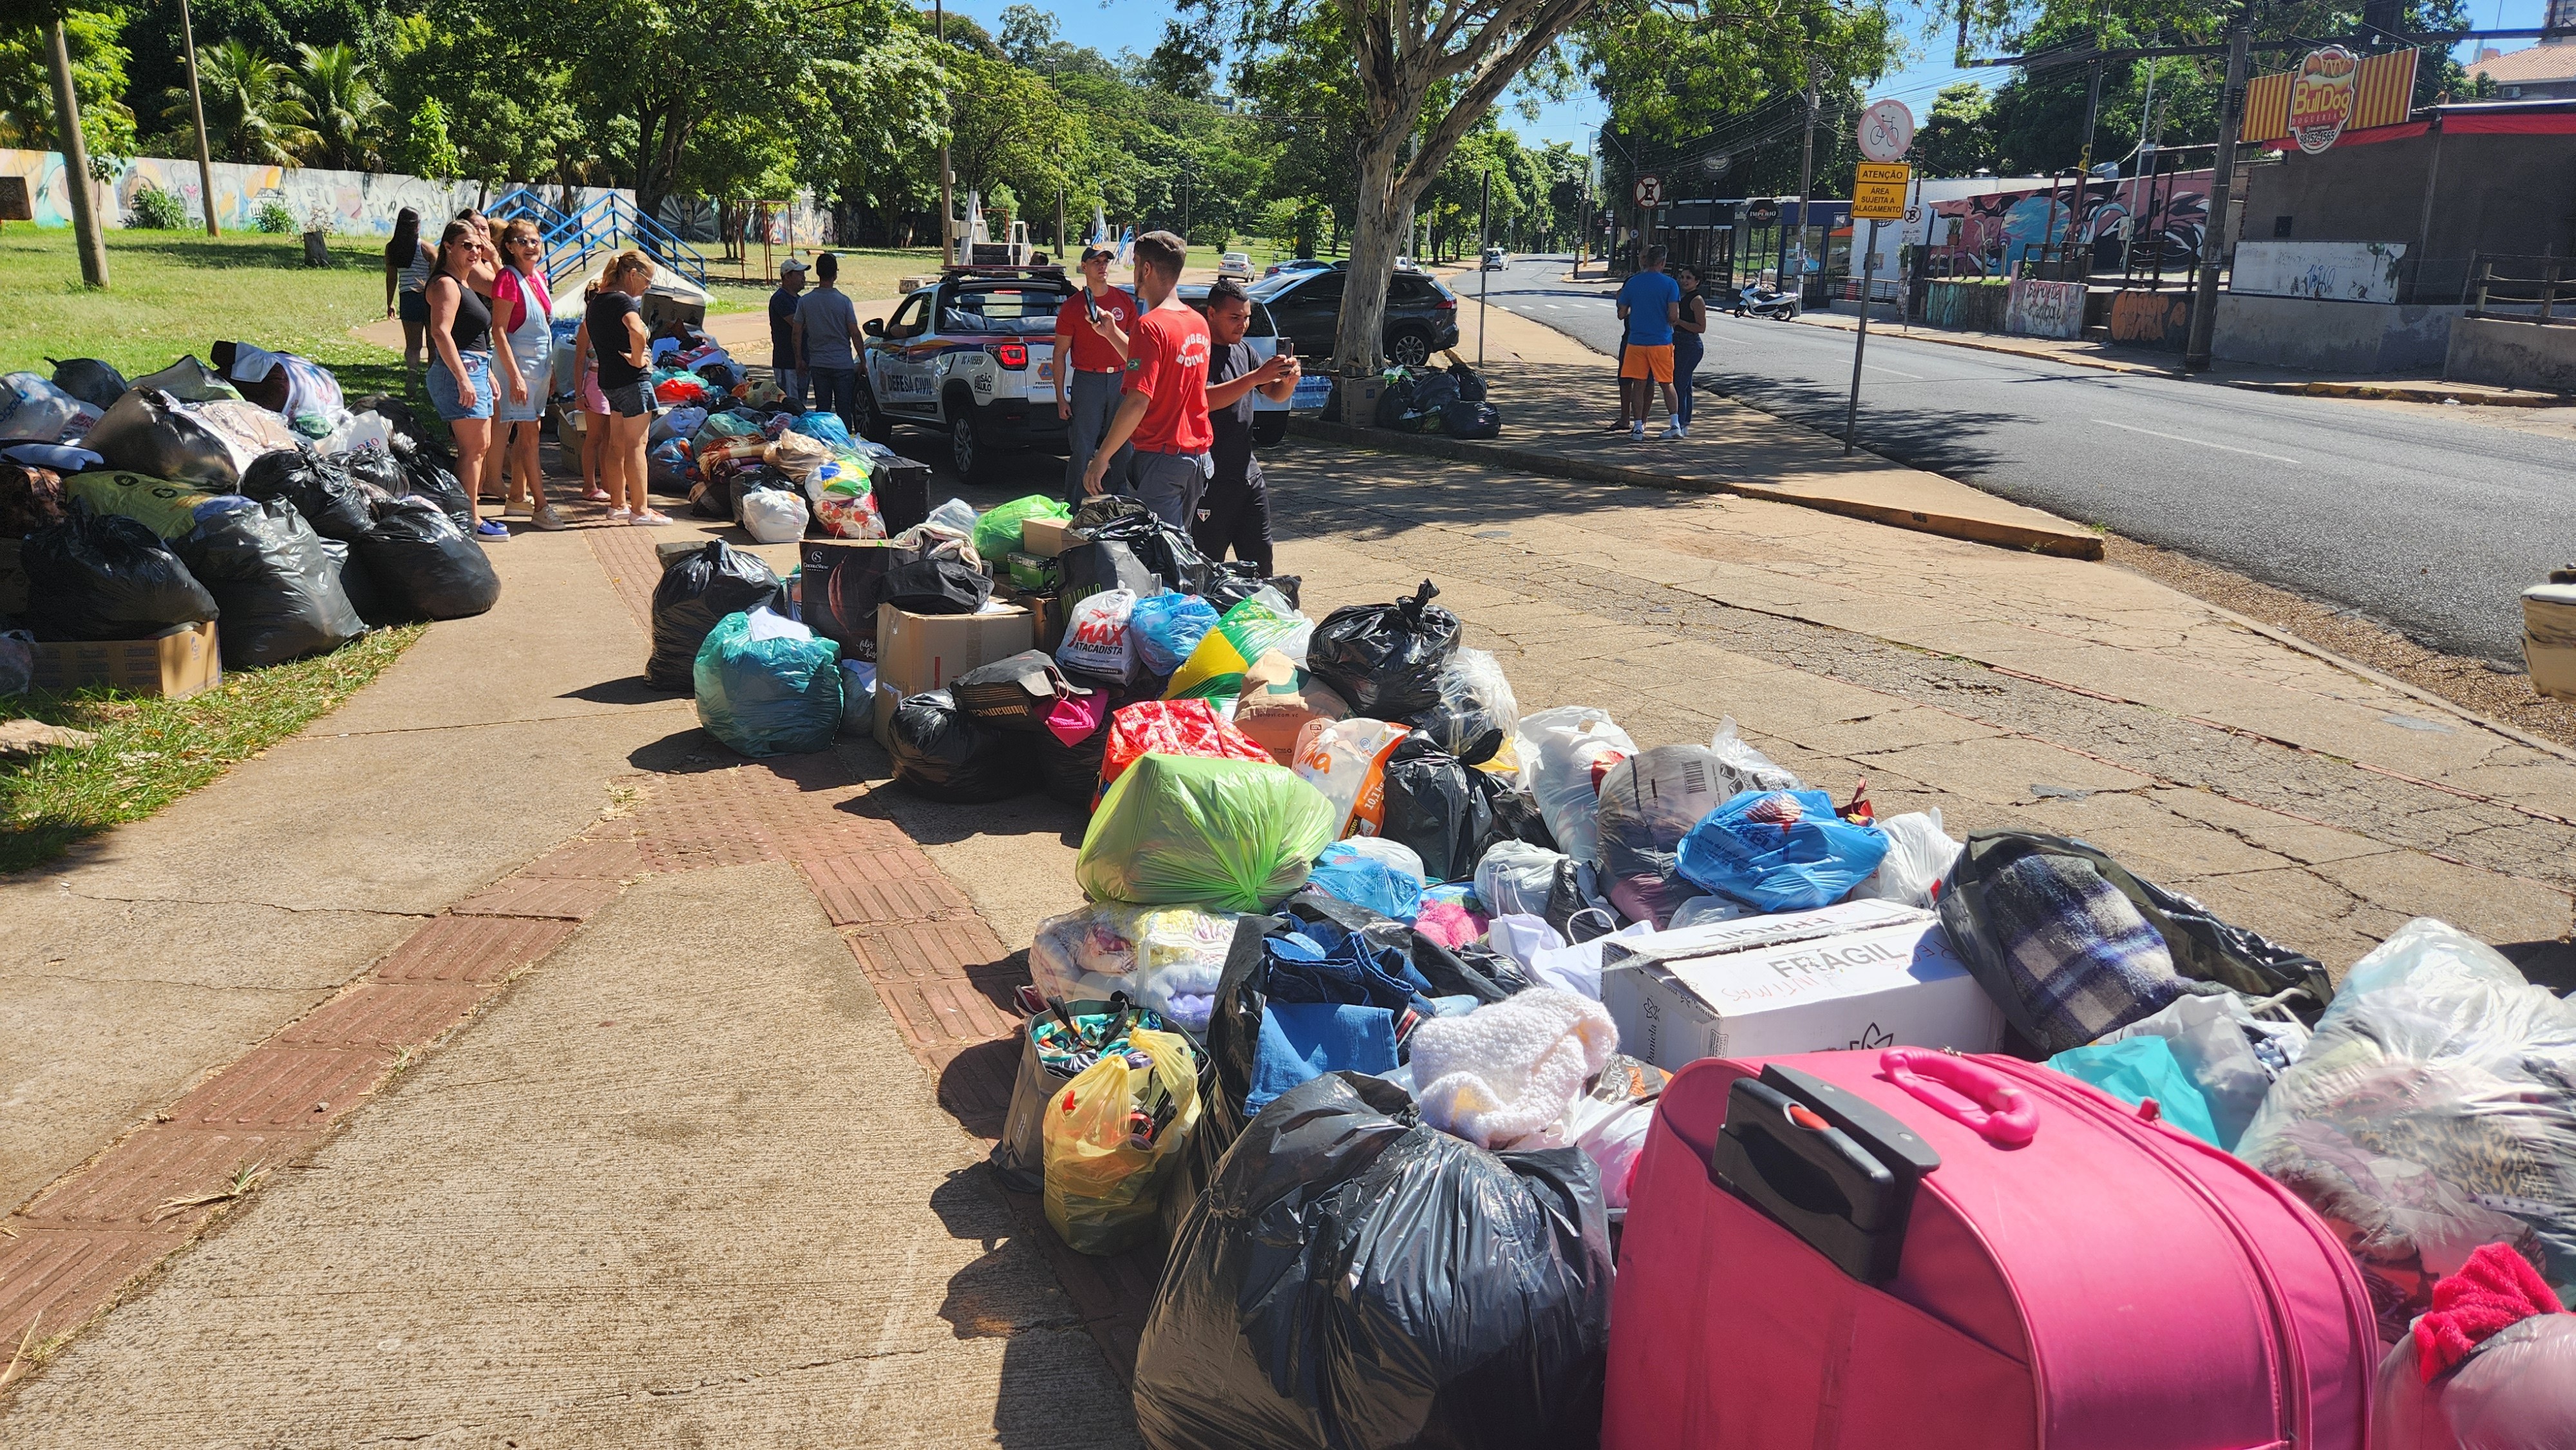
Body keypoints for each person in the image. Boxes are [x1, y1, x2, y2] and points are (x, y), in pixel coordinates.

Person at [1083, 231, 1210, 528]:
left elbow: (1138, 400)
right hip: (1197, 459)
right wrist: (1112, 333)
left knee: (1159, 551)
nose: (1134, 272)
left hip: (1161, 460)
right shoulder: (1197, 322)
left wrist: (1102, 457)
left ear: (1147, 269)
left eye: (1136, 263)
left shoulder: (1150, 326)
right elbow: (1156, 367)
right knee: (1180, 547)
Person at [1195, 278, 1298, 574]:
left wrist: (1289, 381)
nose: (1243, 325)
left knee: (1261, 565)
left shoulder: (1244, 350)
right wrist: (1255, 377)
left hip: (1248, 476)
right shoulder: (1199, 353)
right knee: (1206, 567)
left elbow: (1274, 394)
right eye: (1234, 318)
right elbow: (1204, 400)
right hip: (1210, 480)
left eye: (1247, 317)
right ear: (1211, 313)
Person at [422, 218, 516, 542]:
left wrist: (486, 372)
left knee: (480, 447)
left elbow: (474, 333)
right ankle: (469, 520)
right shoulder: (445, 284)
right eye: (467, 246)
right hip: (459, 372)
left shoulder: (464, 282)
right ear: (448, 246)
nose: (475, 252)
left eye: (478, 246)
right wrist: (463, 379)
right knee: (472, 450)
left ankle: (469, 514)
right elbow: (441, 333)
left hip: (476, 368)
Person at [489, 218, 565, 530]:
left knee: (530, 432)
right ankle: (542, 507)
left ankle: (518, 497)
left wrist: (552, 370)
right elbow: (499, 330)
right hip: (519, 369)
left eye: (535, 240)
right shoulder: (508, 278)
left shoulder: (539, 278)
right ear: (509, 247)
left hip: (539, 369)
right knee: (531, 437)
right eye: (522, 241)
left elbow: (543, 327)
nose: (530, 246)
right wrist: (515, 377)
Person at [1053, 243, 1140, 504]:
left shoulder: (1123, 301)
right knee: (1082, 447)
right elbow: (1060, 354)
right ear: (1084, 267)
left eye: (1105, 261)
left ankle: (1124, 504)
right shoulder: (1072, 307)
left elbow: (1137, 349)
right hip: (1087, 380)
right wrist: (1060, 397)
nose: (1102, 267)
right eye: (1096, 262)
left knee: (1124, 445)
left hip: (1121, 379)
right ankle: (1074, 506)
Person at [588, 249, 669, 525]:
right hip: (632, 381)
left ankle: (618, 504)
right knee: (637, 445)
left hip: (609, 380)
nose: (648, 287)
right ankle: (641, 510)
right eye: (647, 281)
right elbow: (636, 331)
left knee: (617, 444)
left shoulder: (598, 300)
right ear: (633, 274)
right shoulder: (623, 301)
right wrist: (637, 358)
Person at [1616, 244, 1683, 441]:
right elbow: (1674, 316)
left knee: (1639, 384)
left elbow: (1622, 314)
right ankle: (1675, 425)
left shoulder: (1633, 283)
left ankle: (1638, 428)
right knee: (1667, 383)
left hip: (1636, 341)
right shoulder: (1670, 284)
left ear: (1646, 261)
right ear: (1662, 262)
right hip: (1662, 341)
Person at [794, 252, 862, 431]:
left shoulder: (805, 302)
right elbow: (855, 333)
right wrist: (863, 360)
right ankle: (845, 441)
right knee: (844, 410)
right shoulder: (844, 302)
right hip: (843, 364)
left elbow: (797, 332)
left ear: (818, 273)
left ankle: (824, 441)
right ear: (835, 274)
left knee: (822, 410)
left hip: (818, 364)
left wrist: (799, 359)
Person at [570, 278, 613, 502]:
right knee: (594, 437)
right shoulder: (586, 327)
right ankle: (589, 485)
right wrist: (579, 393)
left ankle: (608, 484)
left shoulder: (612, 322)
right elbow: (579, 361)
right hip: (595, 383)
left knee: (609, 438)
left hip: (611, 381)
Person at [383, 208, 434, 368]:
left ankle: (412, 374)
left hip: (408, 298)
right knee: (433, 344)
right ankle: (431, 376)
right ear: (417, 226)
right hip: (429, 298)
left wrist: (390, 302)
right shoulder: (427, 249)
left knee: (412, 346)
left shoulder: (392, 249)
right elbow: (437, 277)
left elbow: (392, 278)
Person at [1671, 264, 1707, 439]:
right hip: (1680, 343)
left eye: (1689, 278)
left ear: (1697, 281)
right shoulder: (1683, 296)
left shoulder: (1697, 300)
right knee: (1685, 386)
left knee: (1679, 384)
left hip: (1690, 345)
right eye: (1683, 277)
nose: (1684, 281)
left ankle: (1679, 423)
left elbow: (1701, 327)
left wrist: (1679, 322)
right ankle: (1685, 423)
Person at [768, 257, 810, 406]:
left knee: (801, 404)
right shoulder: (781, 299)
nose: (804, 278)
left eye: (803, 274)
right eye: (799, 274)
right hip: (787, 362)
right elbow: (798, 324)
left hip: (802, 360)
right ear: (787, 276)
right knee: (790, 405)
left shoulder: (799, 299)